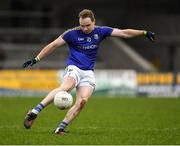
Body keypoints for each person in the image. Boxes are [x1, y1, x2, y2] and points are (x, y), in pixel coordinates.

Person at [23, 9, 155, 135]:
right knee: (66, 87)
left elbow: (124, 33)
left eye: (87, 25)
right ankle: (34, 112)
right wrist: (36, 59)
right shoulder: (71, 33)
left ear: (94, 22)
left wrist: (143, 32)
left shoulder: (101, 31)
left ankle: (60, 128)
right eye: (82, 26)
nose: (85, 28)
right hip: (74, 67)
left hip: (88, 73)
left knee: (82, 101)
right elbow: (53, 45)